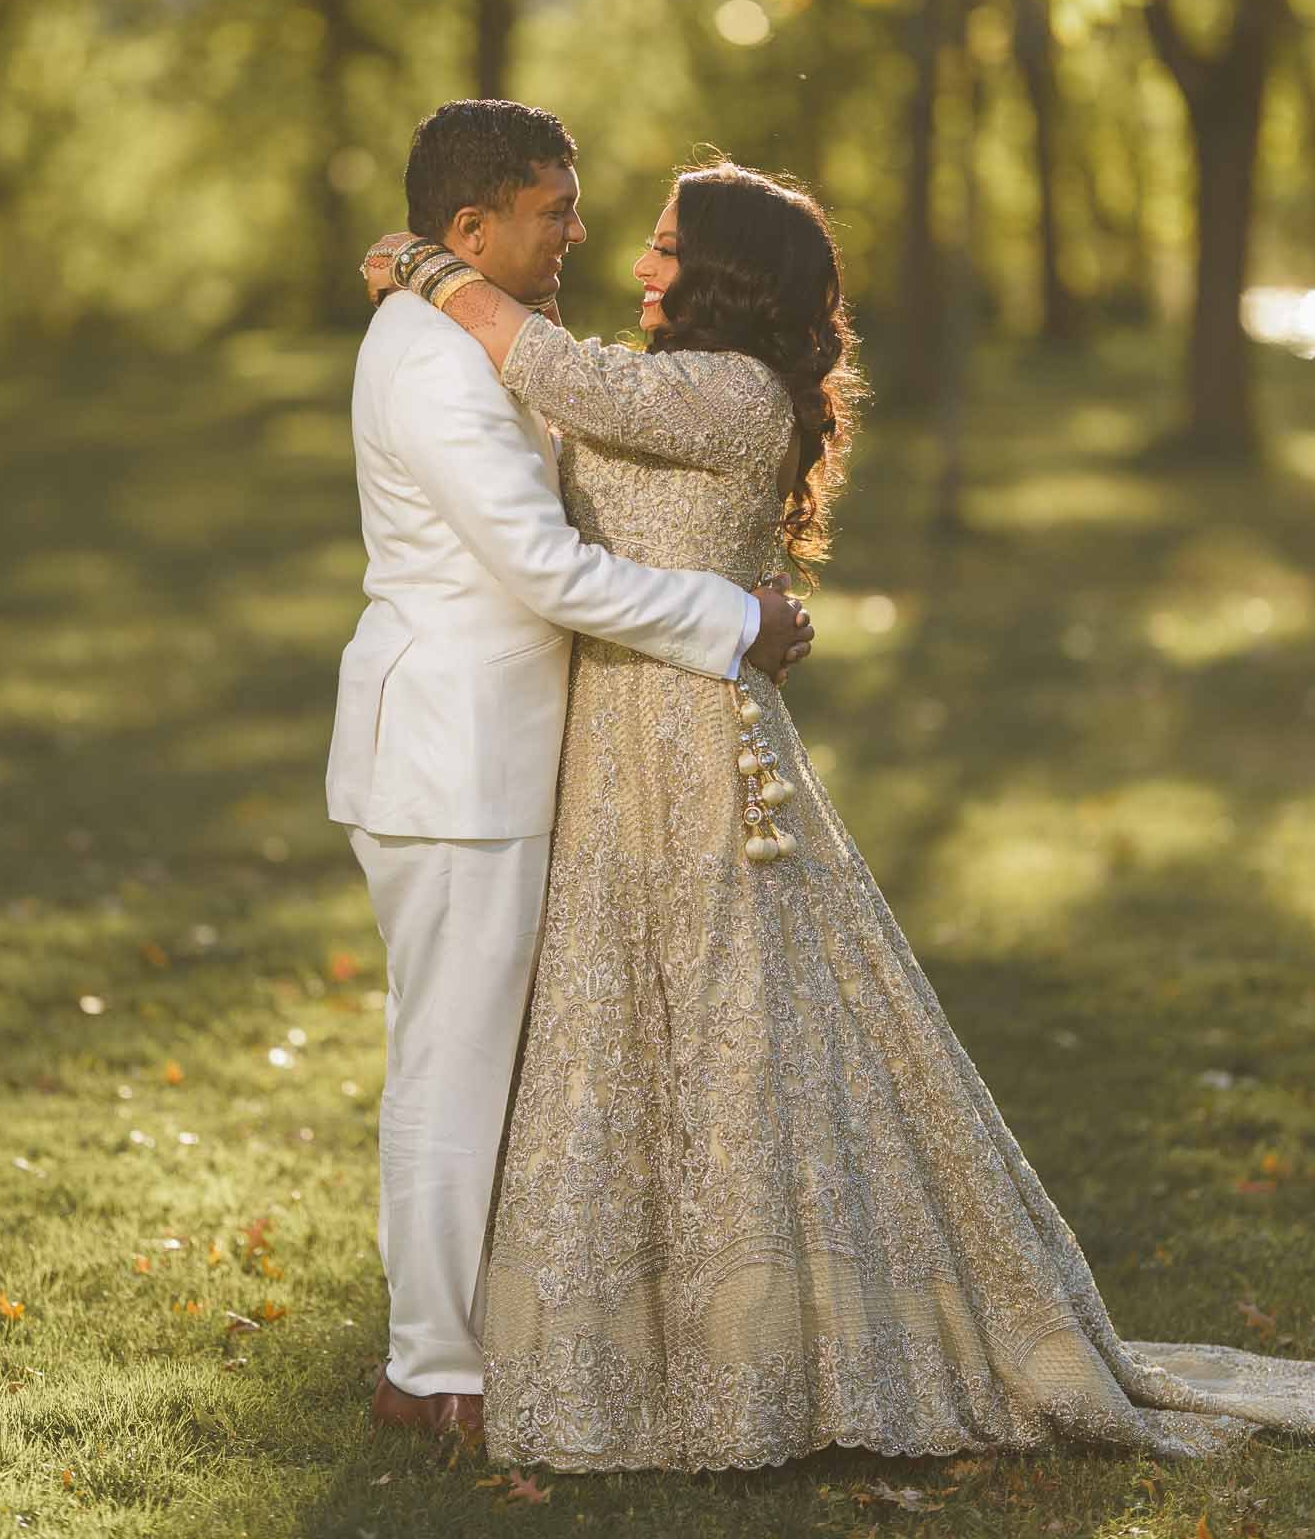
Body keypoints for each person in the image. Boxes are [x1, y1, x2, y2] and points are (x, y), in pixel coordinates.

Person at [372, 159, 1315, 1472]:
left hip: (696, 756)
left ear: (725, 281)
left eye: (661, 250)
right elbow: (563, 401)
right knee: (621, 1023)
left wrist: (428, 264)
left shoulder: (731, 391)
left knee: (735, 1027)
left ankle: (766, 1363)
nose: (634, 268)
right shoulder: (683, 380)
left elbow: (566, 377)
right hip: (613, 742)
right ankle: (631, 1344)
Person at [327, 101, 814, 1443]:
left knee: (487, 1063)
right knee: (453, 1064)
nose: (580, 231)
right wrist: (736, 623)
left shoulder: (468, 332)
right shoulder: (429, 361)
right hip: (452, 758)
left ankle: (483, 1344)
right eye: (555, 207)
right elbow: (543, 570)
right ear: (476, 227)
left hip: (504, 754)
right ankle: (430, 1376)